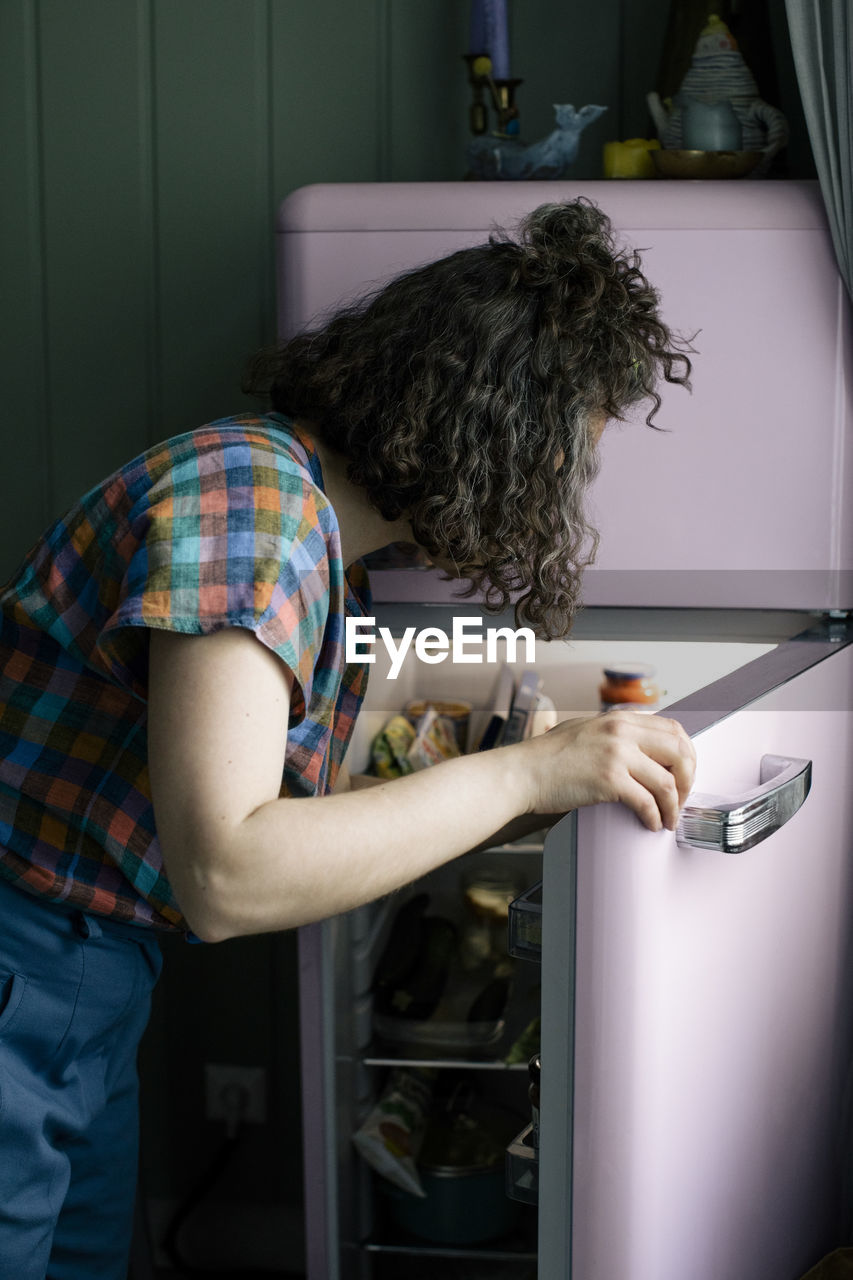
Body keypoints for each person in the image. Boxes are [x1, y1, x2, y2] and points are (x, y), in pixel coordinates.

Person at [0, 197, 695, 1277]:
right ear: (496, 432)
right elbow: (228, 870)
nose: (562, 492)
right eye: (568, 456)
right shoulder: (254, 511)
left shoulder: (317, 538)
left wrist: (503, 771)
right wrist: (519, 772)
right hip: (22, 957)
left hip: (88, 971)